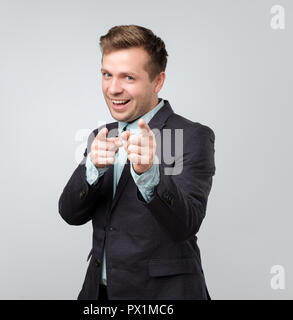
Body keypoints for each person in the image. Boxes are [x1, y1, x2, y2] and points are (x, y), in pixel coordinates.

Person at [58, 25, 216, 300]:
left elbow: (185, 224)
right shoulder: (101, 135)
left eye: (128, 77)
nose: (113, 89)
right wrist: (92, 170)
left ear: (157, 82)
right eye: (107, 75)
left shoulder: (192, 136)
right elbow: (71, 214)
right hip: (98, 293)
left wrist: (149, 174)